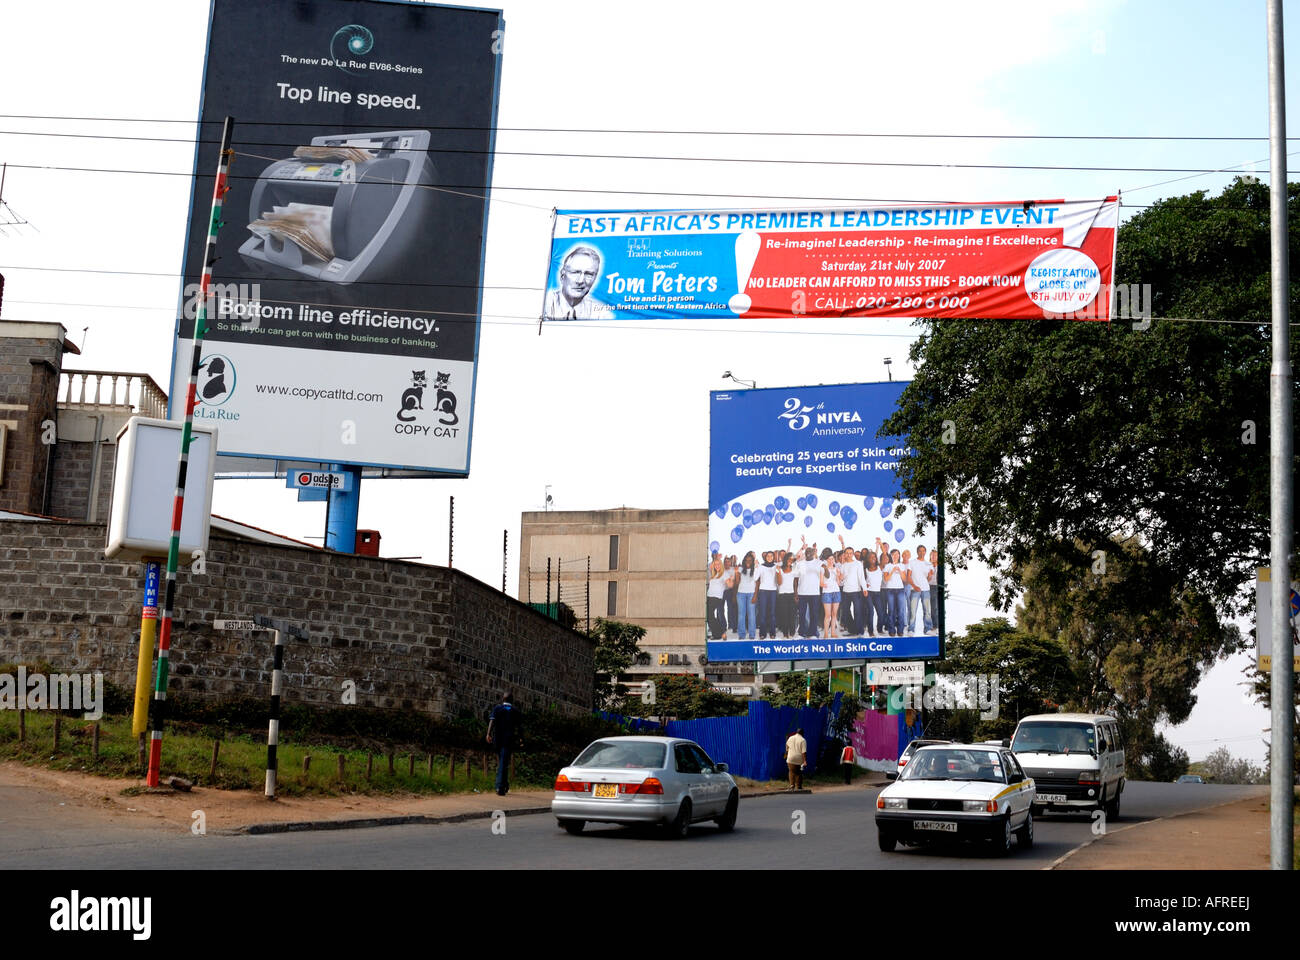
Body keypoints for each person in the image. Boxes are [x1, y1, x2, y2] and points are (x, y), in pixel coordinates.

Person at [544, 245, 615, 319]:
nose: (580, 281)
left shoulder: (601, 314)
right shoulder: (544, 304)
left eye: (588, 274)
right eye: (575, 272)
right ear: (562, 275)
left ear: (595, 278)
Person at [485, 692, 520, 796]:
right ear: (512, 701)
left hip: (498, 740)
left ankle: (504, 785)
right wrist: (521, 739)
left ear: (503, 699)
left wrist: (488, 733)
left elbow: (492, 721)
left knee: (502, 762)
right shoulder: (515, 711)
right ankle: (500, 787)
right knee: (503, 763)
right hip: (509, 741)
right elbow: (519, 727)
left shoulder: (497, 708)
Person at [795, 546, 822, 639]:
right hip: (802, 592)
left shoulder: (819, 563)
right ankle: (801, 633)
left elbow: (825, 574)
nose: (808, 553)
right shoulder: (800, 563)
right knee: (802, 614)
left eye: (810, 551)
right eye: (807, 551)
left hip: (814, 592)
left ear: (814, 553)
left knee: (814, 614)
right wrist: (796, 593)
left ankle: (813, 633)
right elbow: (795, 577)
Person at [908, 544, 935, 635]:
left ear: (925, 552)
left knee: (927, 611)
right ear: (917, 552)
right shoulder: (912, 562)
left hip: (926, 589)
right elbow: (908, 577)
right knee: (912, 611)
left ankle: (927, 629)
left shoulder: (928, 564)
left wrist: (930, 576)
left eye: (923, 551)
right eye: (920, 551)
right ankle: (911, 629)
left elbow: (928, 579)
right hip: (915, 589)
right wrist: (914, 586)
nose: (922, 552)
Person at [755, 549, 782, 640]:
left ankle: (772, 633)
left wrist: (778, 571)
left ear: (774, 557)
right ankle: (762, 633)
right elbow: (755, 577)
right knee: (762, 613)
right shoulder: (761, 567)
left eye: (771, 556)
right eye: (768, 556)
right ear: (765, 557)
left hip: (773, 591)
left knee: (772, 613)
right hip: (763, 591)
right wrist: (756, 567)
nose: (770, 557)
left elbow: (779, 582)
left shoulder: (776, 566)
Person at [882, 548, 907, 637]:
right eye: (893, 554)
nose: (896, 556)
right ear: (891, 556)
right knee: (891, 610)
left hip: (900, 589)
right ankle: (891, 630)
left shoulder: (902, 565)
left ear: (899, 555)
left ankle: (900, 630)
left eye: (897, 554)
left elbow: (904, 579)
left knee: (900, 611)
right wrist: (892, 571)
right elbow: (886, 579)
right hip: (890, 590)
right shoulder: (887, 566)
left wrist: (899, 571)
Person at [735, 551, 758, 640]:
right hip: (741, 593)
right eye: (746, 560)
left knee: (751, 614)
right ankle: (741, 634)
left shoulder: (755, 569)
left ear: (752, 561)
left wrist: (755, 595)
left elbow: (757, 583)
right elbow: (737, 582)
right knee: (741, 614)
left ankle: (752, 634)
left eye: (750, 560)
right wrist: (737, 573)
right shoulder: (740, 569)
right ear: (744, 561)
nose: (748, 562)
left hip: (751, 593)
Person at [820, 547, 842, 639]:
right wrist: (824, 585)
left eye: (832, 559)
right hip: (827, 593)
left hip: (836, 592)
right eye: (829, 559)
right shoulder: (823, 569)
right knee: (827, 614)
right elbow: (821, 583)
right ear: (826, 560)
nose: (831, 560)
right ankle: (826, 633)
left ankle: (833, 632)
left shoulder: (836, 569)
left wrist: (838, 575)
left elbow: (838, 583)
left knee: (834, 614)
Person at [706, 555, 727, 640]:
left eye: (718, 564)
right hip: (709, 596)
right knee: (709, 616)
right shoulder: (713, 574)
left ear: (721, 565)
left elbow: (728, 583)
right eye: (715, 565)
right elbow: (710, 566)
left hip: (716, 597)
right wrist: (714, 560)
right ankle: (717, 633)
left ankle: (720, 633)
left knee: (710, 616)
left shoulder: (724, 574)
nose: (717, 566)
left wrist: (717, 558)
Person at [776, 552, 797, 638]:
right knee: (784, 615)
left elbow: (795, 583)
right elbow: (779, 583)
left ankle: (792, 632)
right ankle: (785, 633)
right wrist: (778, 572)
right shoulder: (780, 569)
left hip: (791, 594)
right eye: (789, 559)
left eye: (792, 559)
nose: (790, 561)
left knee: (792, 614)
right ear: (786, 559)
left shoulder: (794, 569)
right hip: (782, 594)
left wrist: (796, 595)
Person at [723, 556, 738, 639]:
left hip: (730, 591)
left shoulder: (733, 569)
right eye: (725, 562)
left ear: (730, 562)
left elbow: (735, 580)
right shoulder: (721, 570)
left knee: (731, 608)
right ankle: (724, 626)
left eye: (728, 562)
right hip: (722, 591)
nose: (727, 563)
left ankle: (732, 625)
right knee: (721, 610)